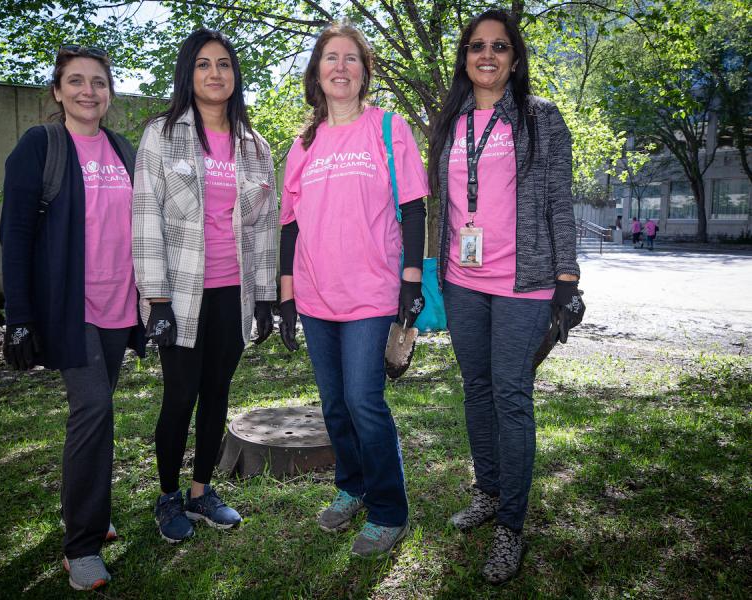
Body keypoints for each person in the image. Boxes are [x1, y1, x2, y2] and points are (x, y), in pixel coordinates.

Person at [427, 9, 583, 583]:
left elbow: (559, 204)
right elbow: (445, 205)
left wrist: (567, 281)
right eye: (475, 47)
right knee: (476, 390)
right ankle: (489, 491)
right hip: (463, 282)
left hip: (525, 283)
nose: (486, 56)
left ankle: (511, 527)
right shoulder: (453, 121)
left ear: (514, 58)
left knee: (511, 397)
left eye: (498, 47)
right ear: (464, 57)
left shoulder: (540, 118)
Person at [278, 22, 428, 557]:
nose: (340, 67)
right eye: (329, 58)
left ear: (364, 71)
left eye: (351, 58)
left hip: (370, 292)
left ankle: (389, 510)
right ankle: (351, 487)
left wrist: (412, 280)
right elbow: (290, 225)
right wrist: (287, 297)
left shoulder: (389, 128)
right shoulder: (303, 143)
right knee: (335, 404)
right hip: (316, 295)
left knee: (365, 401)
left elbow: (413, 207)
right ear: (317, 73)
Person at [0, 44, 146, 591]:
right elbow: (14, 236)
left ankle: (87, 512)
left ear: (109, 93)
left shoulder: (122, 149)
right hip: (69, 308)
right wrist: (18, 316)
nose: (89, 91)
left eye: (99, 82)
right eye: (77, 82)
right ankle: (80, 545)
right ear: (58, 91)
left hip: (118, 307)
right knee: (94, 408)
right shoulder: (41, 146)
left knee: (95, 417)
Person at [132, 29, 278, 544]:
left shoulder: (255, 146)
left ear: (235, 76)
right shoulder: (162, 134)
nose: (215, 73)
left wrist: (264, 298)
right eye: (202, 65)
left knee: (217, 395)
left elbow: (264, 228)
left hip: (232, 295)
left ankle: (201, 492)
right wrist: (157, 300)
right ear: (187, 74)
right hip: (181, 295)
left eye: (223, 64)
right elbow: (146, 217)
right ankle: (168, 496)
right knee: (180, 397)